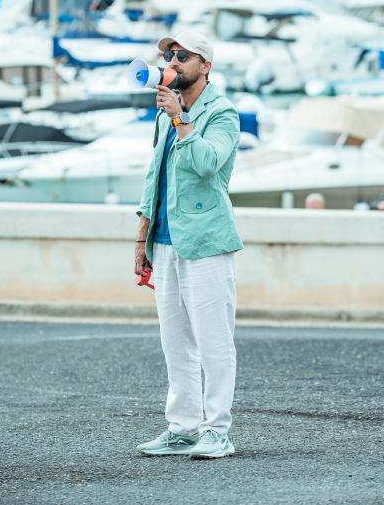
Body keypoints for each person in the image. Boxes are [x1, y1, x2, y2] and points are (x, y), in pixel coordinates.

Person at [133, 30, 243, 460]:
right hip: (165, 241)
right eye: (169, 56)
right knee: (175, 343)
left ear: (205, 65)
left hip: (207, 241)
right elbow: (154, 177)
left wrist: (181, 119)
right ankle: (182, 428)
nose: (173, 62)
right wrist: (142, 237)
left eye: (182, 56)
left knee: (214, 341)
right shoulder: (165, 115)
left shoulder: (222, 112)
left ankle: (217, 430)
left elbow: (208, 164)